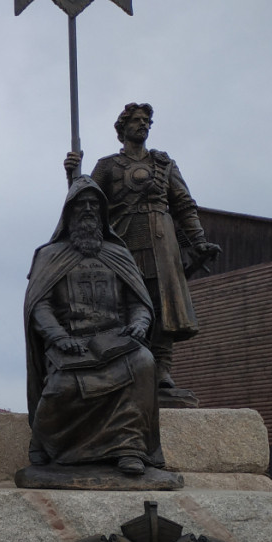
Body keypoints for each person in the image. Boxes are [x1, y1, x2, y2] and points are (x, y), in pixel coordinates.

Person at [65, 104, 220, 398]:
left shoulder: (164, 164)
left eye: (147, 120)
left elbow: (184, 205)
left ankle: (162, 370)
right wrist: (72, 175)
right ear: (122, 128)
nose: (143, 124)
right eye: (136, 120)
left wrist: (198, 240)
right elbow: (85, 200)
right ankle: (129, 366)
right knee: (126, 304)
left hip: (162, 243)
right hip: (123, 241)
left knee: (163, 304)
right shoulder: (107, 166)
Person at [23, 177, 164, 476]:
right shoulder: (49, 256)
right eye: (81, 204)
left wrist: (139, 324)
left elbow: (138, 301)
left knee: (144, 362)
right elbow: (40, 305)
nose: (88, 209)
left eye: (93, 204)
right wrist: (59, 337)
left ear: (102, 212)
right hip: (69, 344)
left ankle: (129, 447)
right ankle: (48, 444)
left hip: (116, 341)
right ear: (69, 212)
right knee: (61, 388)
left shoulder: (120, 255)